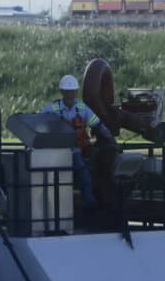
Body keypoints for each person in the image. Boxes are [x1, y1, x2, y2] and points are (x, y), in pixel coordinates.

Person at [40, 74, 115, 210]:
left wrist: (110, 140)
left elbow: (97, 125)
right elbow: (37, 123)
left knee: (82, 170)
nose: (70, 95)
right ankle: (51, 205)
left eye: (72, 92)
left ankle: (89, 201)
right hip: (56, 152)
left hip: (74, 150)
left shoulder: (82, 108)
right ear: (62, 92)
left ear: (76, 92)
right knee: (64, 173)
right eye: (67, 92)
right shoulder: (52, 109)